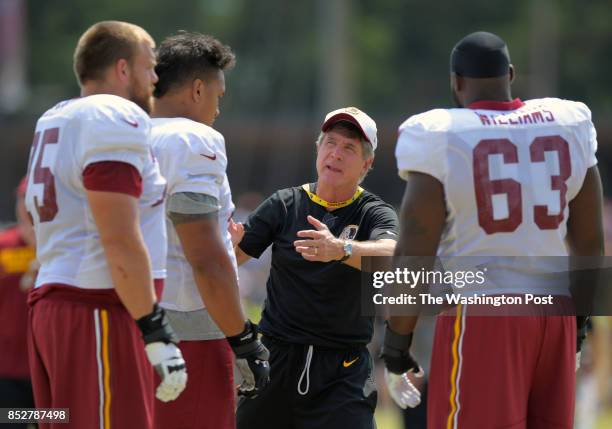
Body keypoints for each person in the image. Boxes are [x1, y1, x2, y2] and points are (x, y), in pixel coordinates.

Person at [381, 31, 604, 428]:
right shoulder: (568, 123)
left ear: (457, 82)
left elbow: (414, 249)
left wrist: (397, 345)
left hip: (483, 312)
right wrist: (579, 327)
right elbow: (589, 241)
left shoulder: (439, 133)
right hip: (555, 315)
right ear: (511, 75)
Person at [24, 21, 187, 428]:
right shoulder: (113, 115)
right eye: (149, 67)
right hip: (97, 310)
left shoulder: (56, 117)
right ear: (122, 69)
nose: (155, 79)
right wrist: (155, 327)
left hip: (59, 306)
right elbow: (118, 236)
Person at [233, 107, 398, 429]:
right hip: (276, 359)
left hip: (343, 367)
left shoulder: (373, 212)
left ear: (367, 163)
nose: (335, 154)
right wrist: (229, 244)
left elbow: (392, 255)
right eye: (330, 143)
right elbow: (230, 259)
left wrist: (341, 249)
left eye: (349, 148)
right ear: (318, 149)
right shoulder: (284, 204)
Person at [150, 32, 270, 429]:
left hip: (125, 322)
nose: (218, 110)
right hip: (187, 333)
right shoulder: (190, 138)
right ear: (198, 89)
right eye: (218, 97)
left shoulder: (126, 131)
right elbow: (203, 257)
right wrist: (243, 339)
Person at [0, 178, 36, 428]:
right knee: (11, 421)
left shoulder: (64, 249)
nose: (27, 206)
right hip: (8, 371)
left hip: (49, 370)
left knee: (59, 418)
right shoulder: (4, 247)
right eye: (23, 199)